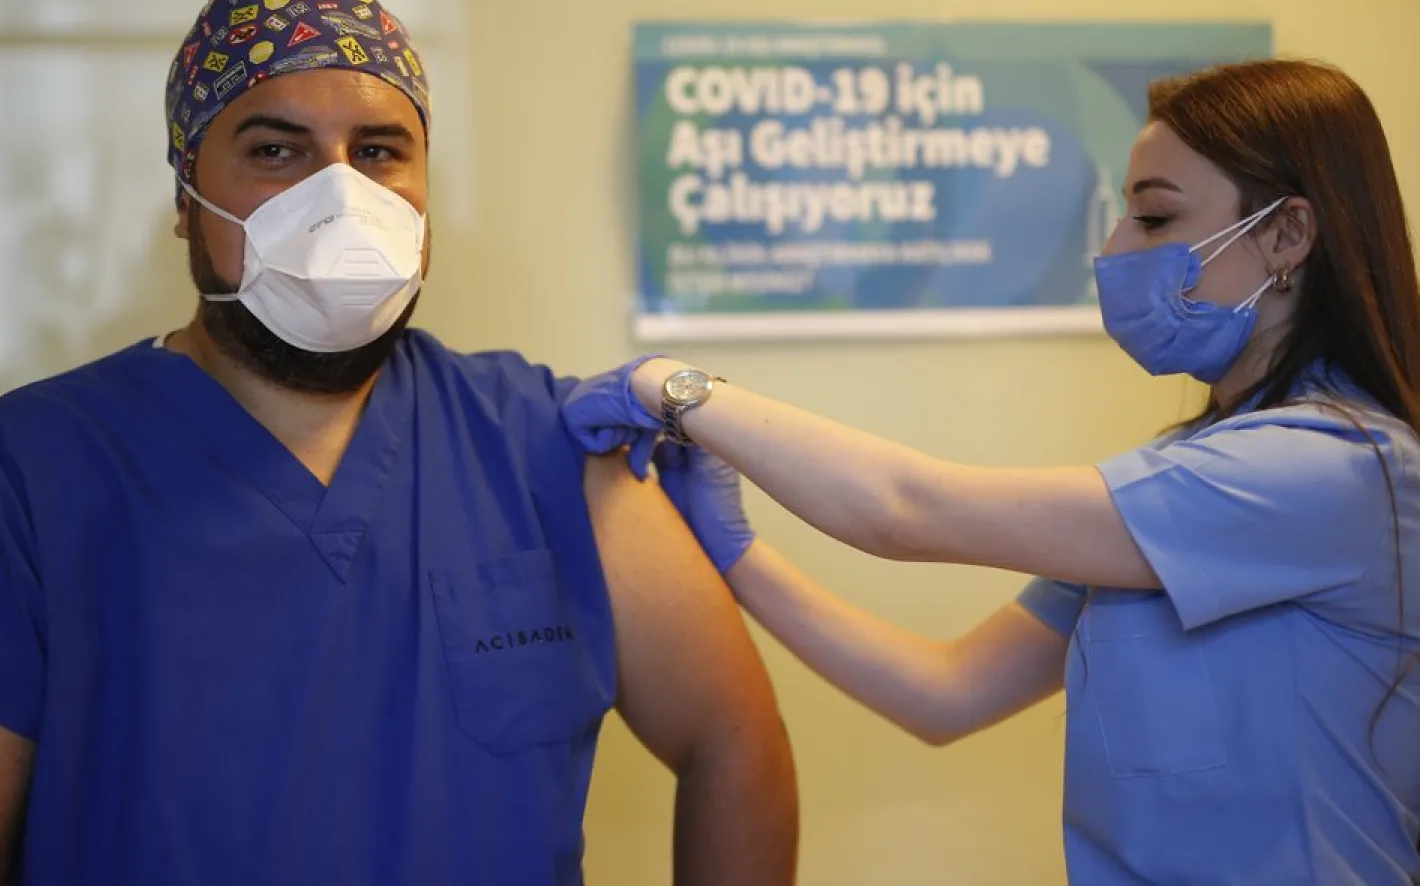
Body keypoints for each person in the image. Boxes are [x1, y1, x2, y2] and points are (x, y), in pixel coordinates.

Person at [0, 0, 798, 886]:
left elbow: (733, 740)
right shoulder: (29, 475)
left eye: (379, 151)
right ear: (186, 200)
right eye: (276, 150)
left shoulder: (545, 443)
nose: (339, 197)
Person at [565, 58, 1420, 884]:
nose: (1117, 247)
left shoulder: (1339, 471)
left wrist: (672, 387)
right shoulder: (1176, 477)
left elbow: (907, 509)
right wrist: (737, 554)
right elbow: (945, 693)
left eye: (1154, 220)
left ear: (1286, 233)